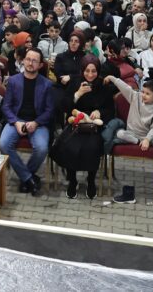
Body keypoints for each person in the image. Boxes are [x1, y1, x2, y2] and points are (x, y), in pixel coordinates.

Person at [51, 55, 114, 199]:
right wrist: (77, 94)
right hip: (75, 123)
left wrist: (100, 112)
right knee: (70, 146)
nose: (90, 75)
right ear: (82, 70)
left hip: (94, 127)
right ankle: (72, 180)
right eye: (87, 71)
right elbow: (63, 106)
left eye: (94, 71)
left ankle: (91, 180)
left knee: (92, 148)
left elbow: (111, 110)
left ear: (98, 71)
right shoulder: (75, 82)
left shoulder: (103, 85)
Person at [0, 48, 54, 196]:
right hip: (16, 121)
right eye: (28, 59)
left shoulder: (47, 84)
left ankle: (26, 177)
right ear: (23, 61)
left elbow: (49, 110)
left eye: (34, 61)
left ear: (40, 65)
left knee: (42, 148)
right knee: (3, 144)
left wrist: (36, 123)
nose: (30, 63)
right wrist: (16, 122)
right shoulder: (13, 81)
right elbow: (6, 106)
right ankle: (29, 178)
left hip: (38, 123)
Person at [104, 77, 153, 185]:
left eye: (147, 94)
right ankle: (137, 142)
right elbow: (124, 87)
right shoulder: (136, 97)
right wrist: (112, 78)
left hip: (148, 137)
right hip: (132, 134)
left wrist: (148, 140)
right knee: (120, 133)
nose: (143, 95)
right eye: (143, 91)